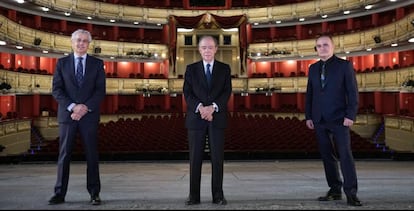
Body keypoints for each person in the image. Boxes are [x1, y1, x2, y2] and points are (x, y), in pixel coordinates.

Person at [48, 29, 106, 205]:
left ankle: (94, 193)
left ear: (89, 44)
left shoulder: (97, 64)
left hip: (88, 116)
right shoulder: (62, 63)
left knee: (92, 155)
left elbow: (100, 91)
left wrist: (84, 108)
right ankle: (59, 193)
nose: (81, 43)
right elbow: (57, 90)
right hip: (68, 116)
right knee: (64, 155)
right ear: (72, 43)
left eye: (85, 41)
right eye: (78, 40)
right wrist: (74, 107)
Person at [305, 35, 362, 206]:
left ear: (333, 46)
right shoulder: (313, 68)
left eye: (325, 45)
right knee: (327, 157)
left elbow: (352, 92)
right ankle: (335, 190)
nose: (322, 48)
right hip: (319, 119)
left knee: (345, 155)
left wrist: (350, 115)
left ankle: (351, 192)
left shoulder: (344, 66)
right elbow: (310, 94)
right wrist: (309, 115)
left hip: (339, 118)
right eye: (319, 46)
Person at [182, 35, 232, 206]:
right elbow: (187, 93)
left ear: (216, 49)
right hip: (196, 119)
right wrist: (202, 108)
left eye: (210, 47)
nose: (207, 50)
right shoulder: (191, 69)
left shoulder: (225, 69)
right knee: (195, 159)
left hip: (217, 119)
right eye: (204, 47)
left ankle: (218, 195)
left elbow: (226, 93)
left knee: (217, 159)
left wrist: (213, 108)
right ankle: (193, 196)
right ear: (199, 49)